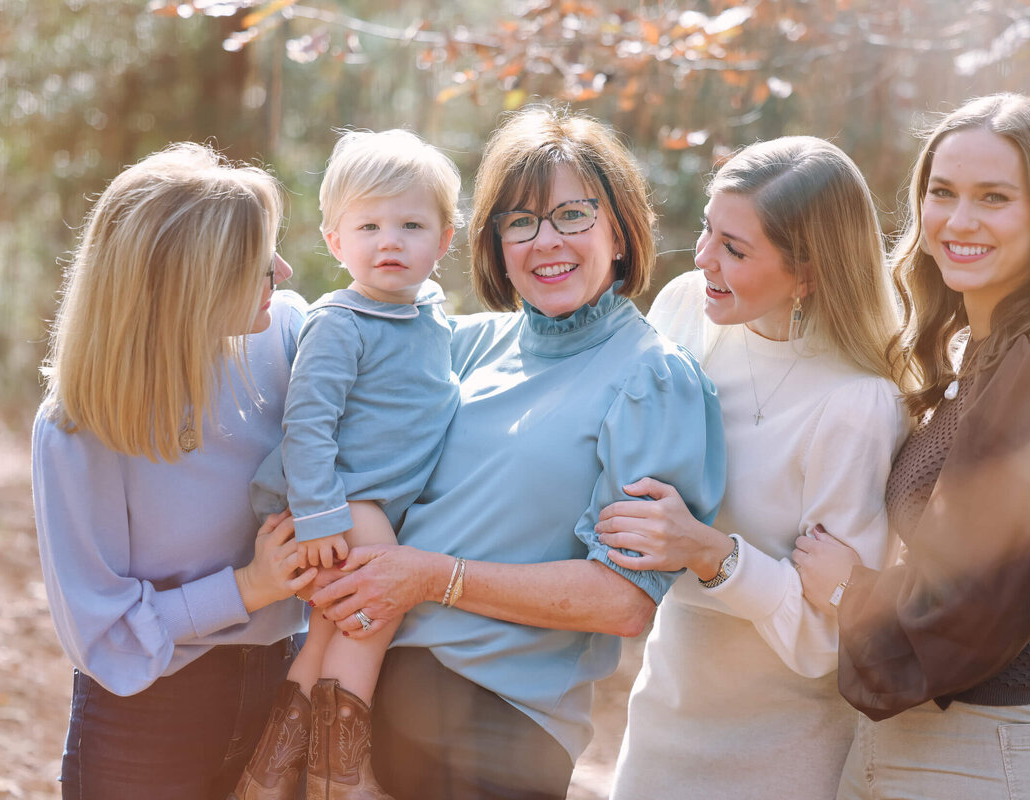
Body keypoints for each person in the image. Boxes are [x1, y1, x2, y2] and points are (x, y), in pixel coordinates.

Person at [305, 105, 727, 800]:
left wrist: (432, 577)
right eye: (520, 221)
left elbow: (623, 601)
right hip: (366, 707)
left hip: (491, 736)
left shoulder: (652, 378)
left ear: (619, 231)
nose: (545, 241)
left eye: (572, 215)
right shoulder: (460, 345)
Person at [792, 93, 1030, 799]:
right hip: (900, 751)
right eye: (942, 193)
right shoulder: (982, 356)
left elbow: (980, 593)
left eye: (994, 197)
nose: (959, 221)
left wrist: (852, 590)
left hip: (973, 760)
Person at [596, 137, 910, 800]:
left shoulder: (856, 403)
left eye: (736, 250)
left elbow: (827, 639)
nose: (704, 258)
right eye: (709, 231)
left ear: (809, 274)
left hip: (786, 749)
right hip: (664, 716)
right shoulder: (686, 308)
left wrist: (713, 554)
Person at [32, 143, 311, 800]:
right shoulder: (79, 426)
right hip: (148, 716)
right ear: (192, 284)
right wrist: (249, 587)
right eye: (257, 262)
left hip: (286, 686)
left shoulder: (292, 336)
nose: (284, 269)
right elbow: (101, 632)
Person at [233, 130, 462, 800]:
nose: (389, 241)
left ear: (444, 241)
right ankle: (341, 778)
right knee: (371, 614)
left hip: (370, 500)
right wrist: (321, 513)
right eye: (368, 225)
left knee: (325, 634)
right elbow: (307, 424)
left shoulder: (433, 317)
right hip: (339, 496)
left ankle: (269, 775)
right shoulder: (341, 323)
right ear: (335, 242)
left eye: (411, 225)